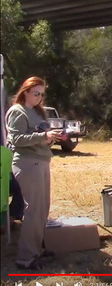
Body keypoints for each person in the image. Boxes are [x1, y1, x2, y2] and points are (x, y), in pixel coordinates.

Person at [6, 76, 63, 270]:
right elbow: (17, 139)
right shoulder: (17, 111)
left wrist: (52, 138)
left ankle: (36, 248)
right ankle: (26, 257)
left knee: (42, 209)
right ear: (25, 92)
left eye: (42, 94)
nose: (39, 97)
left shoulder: (38, 112)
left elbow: (41, 137)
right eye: (35, 93)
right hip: (27, 163)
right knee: (33, 210)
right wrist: (43, 136)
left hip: (42, 161)